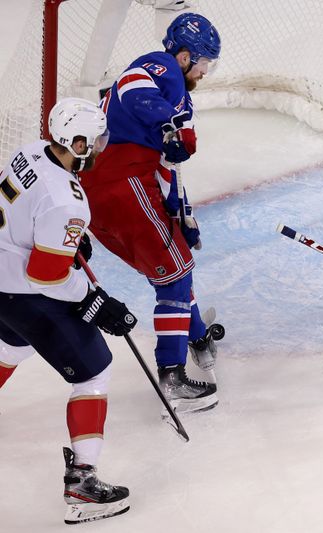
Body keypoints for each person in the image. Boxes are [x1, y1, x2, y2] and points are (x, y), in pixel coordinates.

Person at [0, 97, 137, 524]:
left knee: (11, 348)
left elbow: (25, 211)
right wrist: (93, 301)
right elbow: (46, 275)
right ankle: (83, 483)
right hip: (24, 291)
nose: (100, 146)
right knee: (95, 373)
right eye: (95, 140)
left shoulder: (29, 151)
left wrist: (67, 241)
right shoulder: (68, 203)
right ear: (76, 142)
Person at [79, 12, 223, 413]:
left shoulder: (178, 94)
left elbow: (169, 168)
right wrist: (169, 127)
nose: (206, 71)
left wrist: (182, 215)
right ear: (183, 56)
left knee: (173, 267)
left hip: (106, 195)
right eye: (204, 62)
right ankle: (172, 377)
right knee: (176, 276)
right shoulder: (159, 69)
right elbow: (130, 87)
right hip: (123, 187)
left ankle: (197, 339)